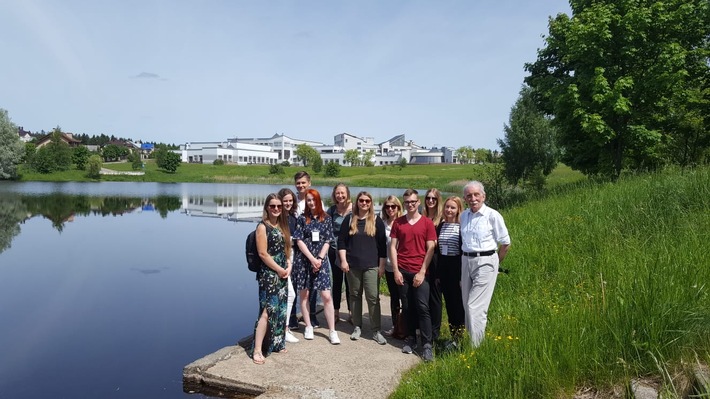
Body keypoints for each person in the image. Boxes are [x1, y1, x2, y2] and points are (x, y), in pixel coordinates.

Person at [460, 181, 511, 347]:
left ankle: (476, 348)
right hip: (466, 260)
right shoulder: (464, 216)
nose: (473, 198)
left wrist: (495, 263)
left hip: (486, 261)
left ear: (483, 196)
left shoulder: (492, 215)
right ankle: (470, 340)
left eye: (476, 195)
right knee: (466, 303)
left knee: (475, 306)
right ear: (465, 198)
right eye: (469, 195)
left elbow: (505, 243)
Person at [390, 189, 437, 362]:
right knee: (407, 306)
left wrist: (422, 272)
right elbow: (392, 248)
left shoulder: (427, 223)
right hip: (403, 270)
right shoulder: (398, 223)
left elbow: (430, 248)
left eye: (413, 202)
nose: (410, 204)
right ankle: (411, 338)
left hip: (420, 271)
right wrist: (395, 270)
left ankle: (427, 344)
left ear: (418, 203)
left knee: (423, 307)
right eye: (407, 202)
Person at [248, 194, 292, 365]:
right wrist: (280, 269)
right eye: (272, 206)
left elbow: (287, 248)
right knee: (267, 311)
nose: (276, 209)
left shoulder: (282, 225)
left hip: (282, 272)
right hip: (269, 274)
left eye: (279, 206)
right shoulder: (262, 227)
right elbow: (263, 254)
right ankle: (257, 350)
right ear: (267, 207)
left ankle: (277, 343)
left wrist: (288, 265)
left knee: (280, 309)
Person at [338, 191, 387, 345]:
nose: (364, 203)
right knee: (354, 296)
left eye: (367, 201)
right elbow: (341, 242)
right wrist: (344, 261)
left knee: (373, 297)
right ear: (357, 202)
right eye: (361, 200)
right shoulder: (349, 219)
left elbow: (382, 246)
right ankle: (357, 326)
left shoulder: (376, 221)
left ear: (371, 203)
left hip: (371, 265)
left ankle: (376, 330)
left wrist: (382, 266)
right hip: (353, 266)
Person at [293, 189, 341, 345]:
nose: (311, 203)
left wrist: (319, 258)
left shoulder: (326, 218)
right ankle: (308, 326)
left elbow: (328, 240)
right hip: (304, 261)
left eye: (313, 200)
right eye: (308, 200)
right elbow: (299, 240)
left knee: (326, 296)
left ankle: (332, 330)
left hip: (321, 262)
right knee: (304, 295)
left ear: (318, 200)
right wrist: (312, 259)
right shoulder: (302, 219)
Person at [436, 196, 466, 345]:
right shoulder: (441, 226)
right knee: (448, 304)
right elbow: (438, 252)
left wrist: (462, 276)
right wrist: (438, 274)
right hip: (444, 270)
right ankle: (453, 336)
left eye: (453, 207)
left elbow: (463, 252)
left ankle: (460, 338)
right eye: (447, 207)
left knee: (458, 305)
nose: (449, 210)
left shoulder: (462, 227)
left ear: (458, 209)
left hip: (457, 269)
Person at [293, 171, 321, 328]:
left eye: (303, 182)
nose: (301, 185)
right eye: (298, 183)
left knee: (312, 283)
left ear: (309, 183)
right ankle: (292, 317)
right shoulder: (293, 200)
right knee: (296, 282)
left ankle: (311, 315)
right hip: (295, 247)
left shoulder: (314, 200)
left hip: (312, 248)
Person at [326, 183, 352, 323]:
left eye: (342, 193)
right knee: (336, 281)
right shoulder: (331, 211)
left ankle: (351, 312)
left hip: (350, 250)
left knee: (350, 282)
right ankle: (335, 312)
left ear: (347, 193)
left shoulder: (354, 209)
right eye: (337, 193)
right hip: (334, 250)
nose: (340, 196)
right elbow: (327, 230)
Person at [277, 188, 300, 344]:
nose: (288, 203)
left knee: (288, 294)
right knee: (289, 294)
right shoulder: (277, 217)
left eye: (290, 200)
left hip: (291, 257)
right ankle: (283, 330)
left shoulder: (293, 217)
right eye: (285, 200)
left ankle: (283, 328)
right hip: (280, 259)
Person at [380, 195, 404, 337]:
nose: (390, 209)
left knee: (405, 298)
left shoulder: (403, 222)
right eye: (387, 206)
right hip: (389, 266)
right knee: (394, 297)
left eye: (393, 206)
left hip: (403, 266)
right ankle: (395, 326)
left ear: (398, 207)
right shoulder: (382, 223)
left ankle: (407, 327)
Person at [422, 188, 444, 343]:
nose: (430, 201)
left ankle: (435, 333)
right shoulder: (421, 216)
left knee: (435, 298)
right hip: (421, 258)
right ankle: (423, 328)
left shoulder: (442, 219)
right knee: (423, 297)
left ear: (438, 201)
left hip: (436, 261)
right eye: (428, 198)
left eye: (433, 199)